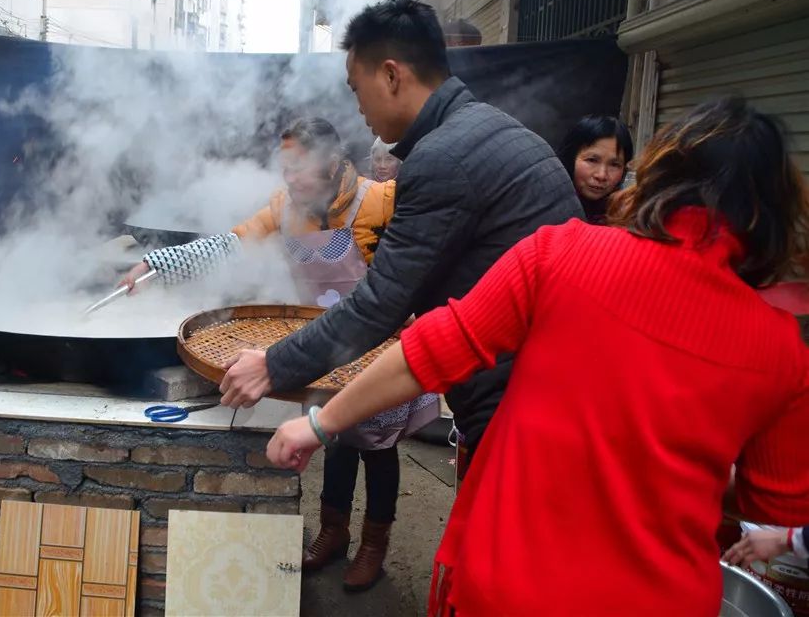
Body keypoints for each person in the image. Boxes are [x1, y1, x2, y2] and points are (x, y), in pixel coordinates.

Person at [265, 97, 809, 616]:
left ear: (661, 175)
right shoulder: (783, 350)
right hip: (659, 598)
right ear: (772, 214)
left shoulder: (561, 251)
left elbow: (428, 352)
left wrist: (318, 422)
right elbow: (776, 505)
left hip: (506, 583)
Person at [218, 0, 582, 493]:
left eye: (357, 88)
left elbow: (378, 303)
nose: (358, 107)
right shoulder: (487, 130)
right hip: (548, 390)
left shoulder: (443, 158)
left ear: (391, 75)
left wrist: (271, 364)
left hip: (523, 404)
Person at [119, 117, 438, 591]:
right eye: (283, 167)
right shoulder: (283, 209)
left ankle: (374, 544)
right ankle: (333, 531)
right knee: (331, 438)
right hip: (324, 343)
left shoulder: (379, 201)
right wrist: (157, 264)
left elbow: (425, 257)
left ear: (332, 162)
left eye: (299, 166)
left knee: (378, 448)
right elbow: (229, 244)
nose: (289, 178)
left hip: (379, 347)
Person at [556, 115, 634, 223]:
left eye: (614, 165)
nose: (601, 175)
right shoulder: (545, 208)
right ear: (570, 158)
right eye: (592, 160)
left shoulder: (626, 219)